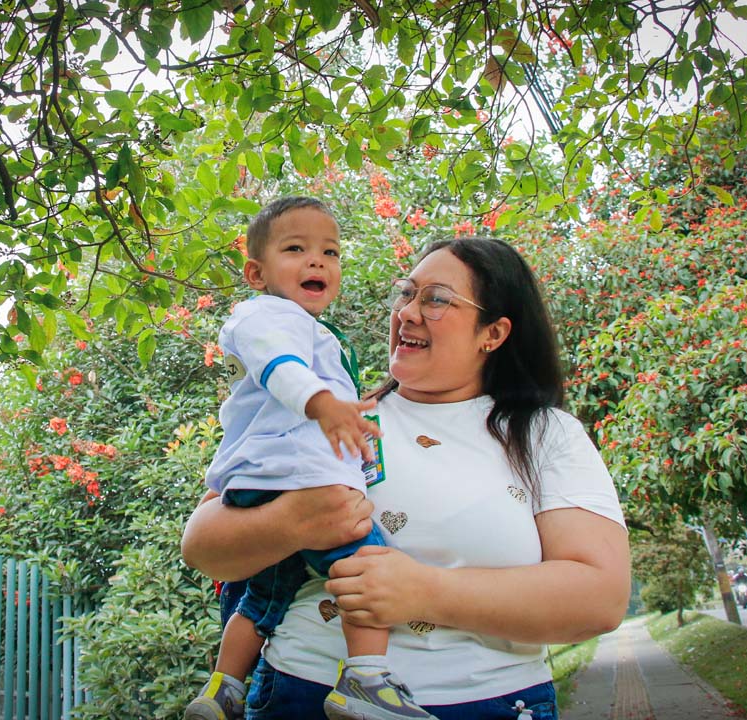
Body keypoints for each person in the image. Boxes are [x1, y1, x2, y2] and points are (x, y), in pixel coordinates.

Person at [182, 236, 631, 719]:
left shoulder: (546, 434)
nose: (408, 313)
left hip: (491, 704)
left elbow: (599, 598)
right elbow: (202, 546)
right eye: (406, 293)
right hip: (301, 694)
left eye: (436, 299)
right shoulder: (333, 412)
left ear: (493, 333)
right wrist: (292, 521)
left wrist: (422, 592)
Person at [184, 197, 435, 720]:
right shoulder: (266, 316)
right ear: (256, 272)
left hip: (266, 480)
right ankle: (366, 678)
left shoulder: (304, 326)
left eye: (330, 251)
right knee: (367, 568)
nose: (317, 261)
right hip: (297, 478)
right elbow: (282, 366)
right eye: (295, 249)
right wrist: (325, 406)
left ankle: (224, 687)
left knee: (265, 595)